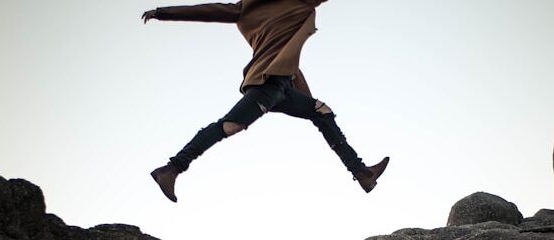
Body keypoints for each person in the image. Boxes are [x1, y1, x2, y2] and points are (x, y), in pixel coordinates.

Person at [142, 1, 389, 202]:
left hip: (283, 87)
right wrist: (163, 13)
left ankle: (361, 172)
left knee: (321, 112)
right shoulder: (255, 6)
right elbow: (207, 11)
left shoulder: (269, 6)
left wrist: (162, 13)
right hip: (266, 83)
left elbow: (211, 11)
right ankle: (172, 169)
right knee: (230, 126)